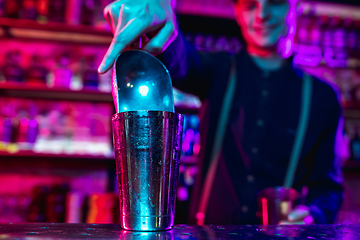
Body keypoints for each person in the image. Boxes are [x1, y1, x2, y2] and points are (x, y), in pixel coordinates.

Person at [98, 0, 343, 225]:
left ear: (294, 8)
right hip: (209, 232)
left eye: (275, 3)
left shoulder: (323, 98)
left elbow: (328, 187)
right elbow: (182, 61)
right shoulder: (218, 70)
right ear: (236, 12)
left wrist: (313, 214)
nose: (262, 15)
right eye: (250, 5)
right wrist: (160, 28)